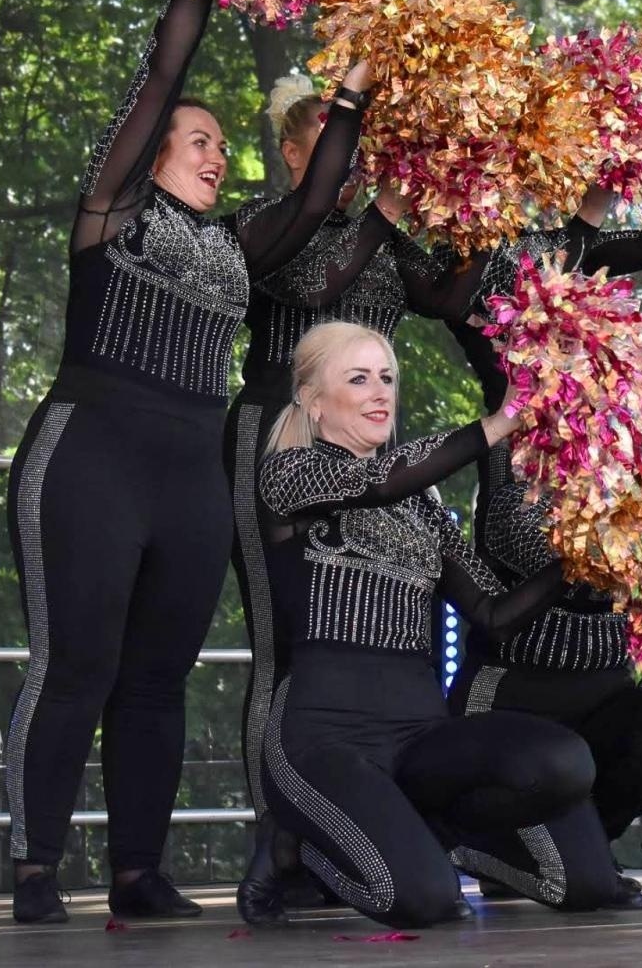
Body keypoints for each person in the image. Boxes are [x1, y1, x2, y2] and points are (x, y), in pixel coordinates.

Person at [5, 0, 373, 925]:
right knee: (74, 663)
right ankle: (36, 867)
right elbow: (165, 66)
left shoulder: (233, 244)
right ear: (155, 149)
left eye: (218, 145)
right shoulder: (115, 208)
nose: (216, 156)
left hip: (188, 473)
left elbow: (321, 191)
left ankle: (137, 872)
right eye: (200, 140)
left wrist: (359, 87)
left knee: (158, 677)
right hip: (91, 453)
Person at [252, 322, 621, 927]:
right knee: (426, 901)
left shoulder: (422, 505)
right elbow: (375, 481)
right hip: (324, 736)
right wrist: (498, 424)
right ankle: (299, 848)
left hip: (419, 736)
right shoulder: (290, 474)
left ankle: (437, 832)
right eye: (359, 378)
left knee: (581, 853)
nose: (380, 392)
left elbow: (494, 616)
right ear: (315, 401)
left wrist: (576, 561)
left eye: (388, 378)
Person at [228, 74, 492, 918]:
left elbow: (448, 297)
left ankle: (368, 821)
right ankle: (282, 825)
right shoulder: (283, 226)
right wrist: (381, 201)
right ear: (297, 152)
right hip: (288, 434)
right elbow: (315, 286)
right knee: (285, 643)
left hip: (371, 449)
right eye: (333, 150)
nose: (349, 170)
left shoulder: (377, 233)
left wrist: (487, 207)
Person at [447, 172, 642, 909]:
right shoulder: (514, 427)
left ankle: (574, 840)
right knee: (589, 888)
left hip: (602, 689)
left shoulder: (632, 441)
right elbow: (518, 541)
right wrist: (617, 541)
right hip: (516, 695)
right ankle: (488, 836)